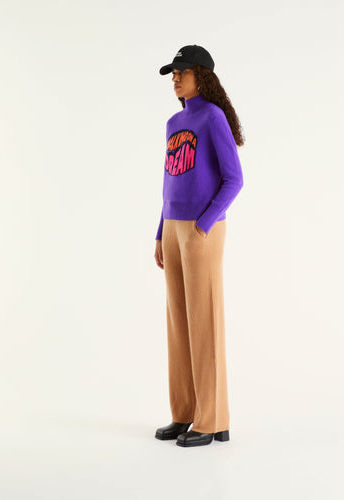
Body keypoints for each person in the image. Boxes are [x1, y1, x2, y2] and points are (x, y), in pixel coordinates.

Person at [154, 45, 244, 447]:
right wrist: (161, 231)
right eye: (173, 74)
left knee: (203, 320)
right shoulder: (174, 122)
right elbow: (171, 180)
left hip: (201, 228)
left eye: (182, 72)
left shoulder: (213, 117)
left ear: (201, 75)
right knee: (178, 322)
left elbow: (234, 179)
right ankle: (184, 413)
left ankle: (213, 419)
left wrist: (204, 223)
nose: (175, 78)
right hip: (173, 227)